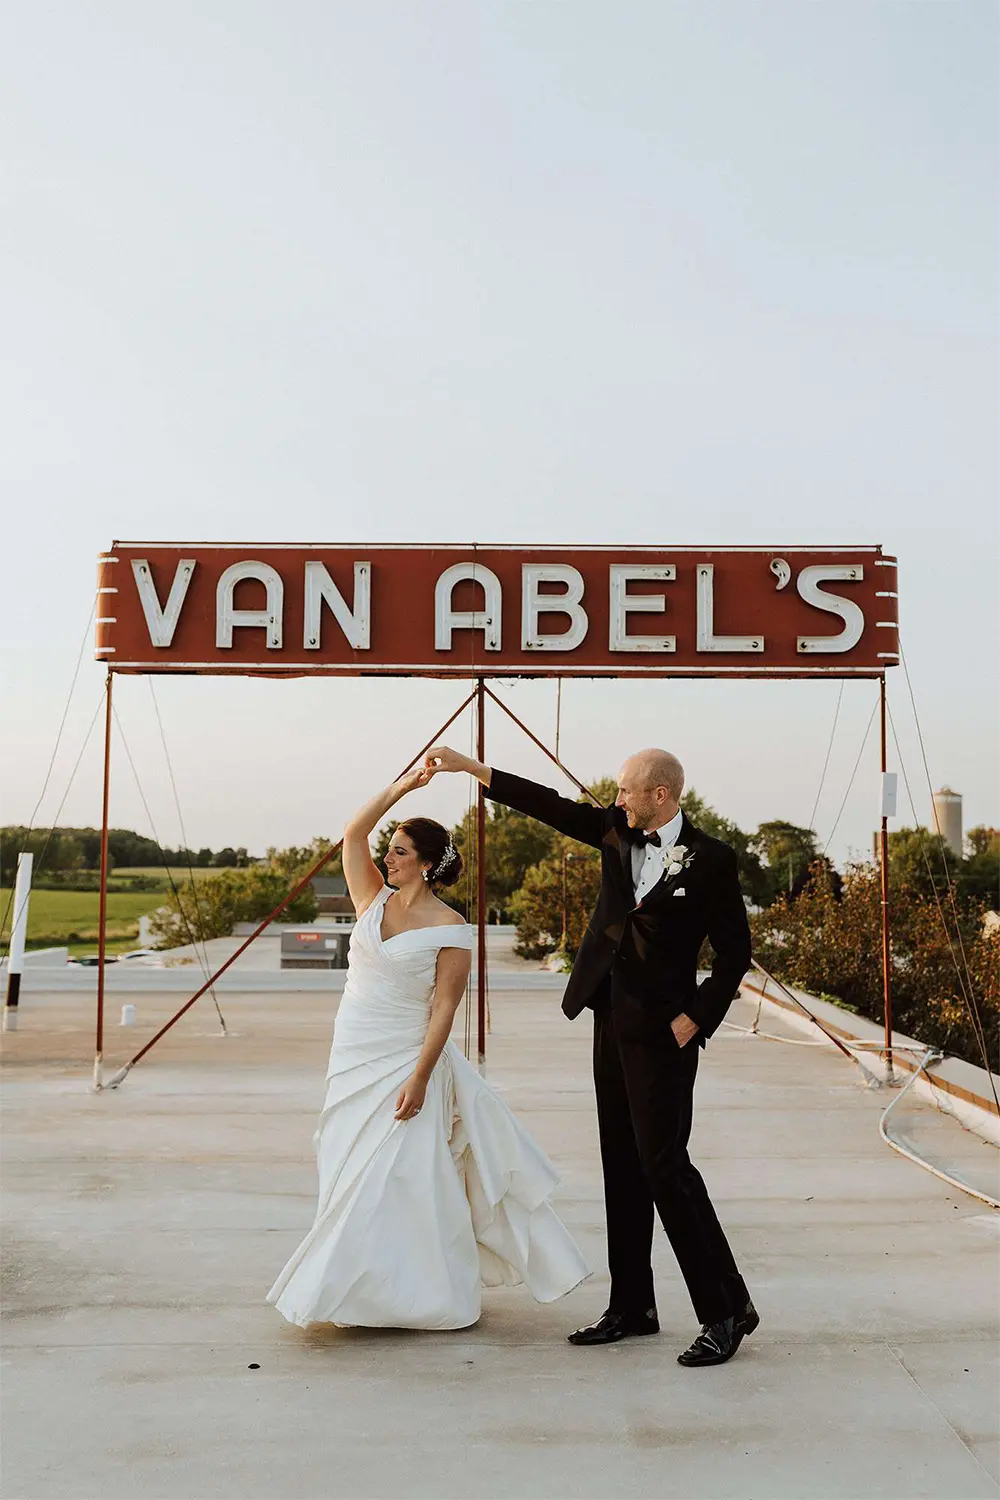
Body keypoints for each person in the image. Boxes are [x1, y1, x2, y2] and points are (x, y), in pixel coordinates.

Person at [425, 745, 758, 1367]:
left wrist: (697, 1015)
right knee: (623, 1164)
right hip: (611, 1019)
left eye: (629, 790)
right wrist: (476, 772)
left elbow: (736, 952)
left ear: (661, 794)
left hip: (668, 1032)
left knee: (666, 1167)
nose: (619, 799)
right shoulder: (614, 832)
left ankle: (726, 1310)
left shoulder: (712, 859)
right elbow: (549, 807)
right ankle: (634, 1305)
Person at [267, 768, 589, 1331]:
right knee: (348, 1168)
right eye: (389, 850)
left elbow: (445, 1008)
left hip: (407, 1058)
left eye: (399, 851)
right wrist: (398, 791)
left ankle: (423, 1296)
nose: (388, 859)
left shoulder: (452, 927)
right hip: (353, 1053)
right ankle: (355, 1292)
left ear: (425, 861)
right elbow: (351, 834)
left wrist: (419, 1077)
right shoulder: (372, 900)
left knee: (405, 1175)